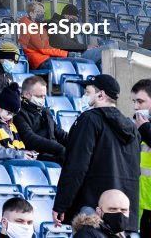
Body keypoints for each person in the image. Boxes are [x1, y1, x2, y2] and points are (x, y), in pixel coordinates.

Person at [54, 75, 139, 231]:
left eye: (88, 92)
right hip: (123, 214)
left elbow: (76, 166)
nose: (84, 96)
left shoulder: (89, 120)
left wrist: (61, 204)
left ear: (101, 94)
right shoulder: (132, 127)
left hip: (93, 211)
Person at [15, 75, 68, 165]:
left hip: (53, 153)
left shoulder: (45, 111)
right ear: (27, 94)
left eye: (44, 96)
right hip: (37, 157)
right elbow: (30, 138)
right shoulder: (18, 113)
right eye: (39, 96)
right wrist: (59, 149)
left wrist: (78, 140)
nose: (43, 100)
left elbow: (58, 132)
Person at [130, 80, 151, 237]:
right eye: (134, 101)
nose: (136, 106)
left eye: (141, 101)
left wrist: (145, 130)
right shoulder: (139, 126)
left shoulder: (143, 127)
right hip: (144, 205)